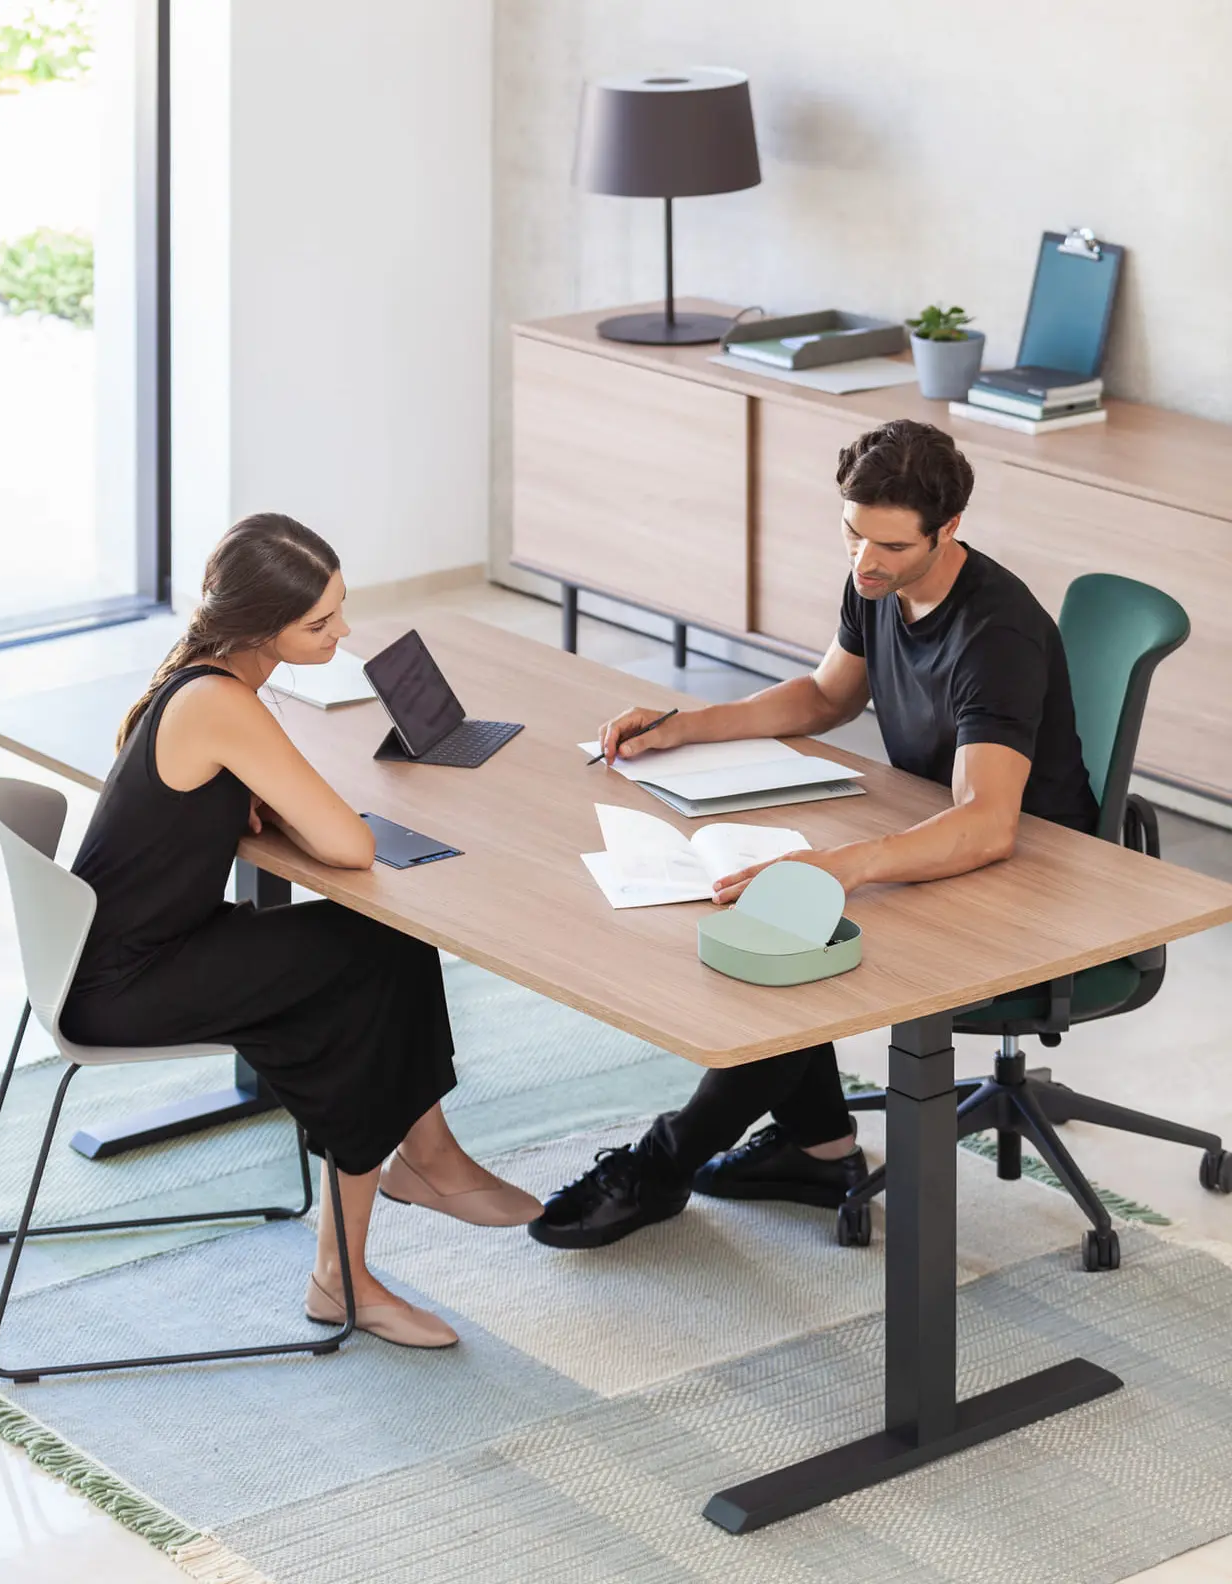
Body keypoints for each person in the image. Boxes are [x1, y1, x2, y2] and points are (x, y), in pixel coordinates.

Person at [530, 419, 1099, 1250]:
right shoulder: (874, 579)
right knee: (781, 914)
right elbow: (829, 696)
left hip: (1035, 876)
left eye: (891, 546)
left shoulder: (995, 633)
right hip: (942, 833)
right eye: (851, 533)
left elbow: (988, 825)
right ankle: (817, 1146)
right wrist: (688, 725)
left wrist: (838, 867)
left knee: (796, 937)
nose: (865, 561)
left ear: (950, 530)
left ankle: (662, 1166)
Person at [61, 513, 541, 1347]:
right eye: (320, 623)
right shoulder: (218, 702)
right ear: (257, 627)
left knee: (379, 951)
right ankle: (347, 1265)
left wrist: (273, 803)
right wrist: (291, 808)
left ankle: (425, 1162)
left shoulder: (201, 681)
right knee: (363, 980)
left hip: (121, 954)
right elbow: (350, 846)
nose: (344, 632)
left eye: (340, 609)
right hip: (124, 985)